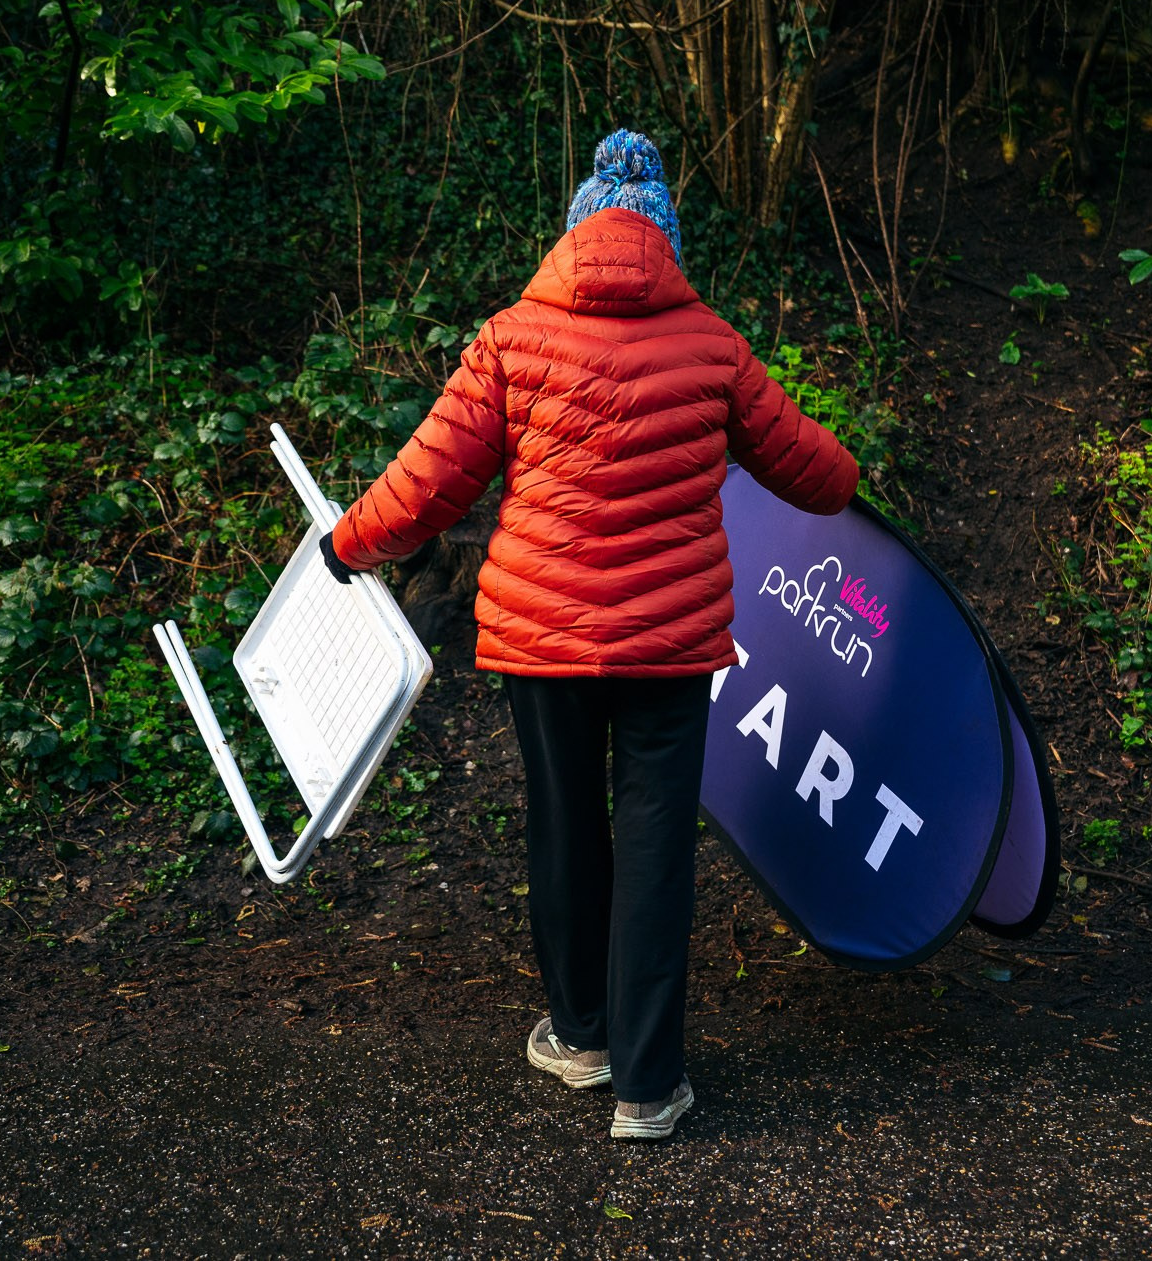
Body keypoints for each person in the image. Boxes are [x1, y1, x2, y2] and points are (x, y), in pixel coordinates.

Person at [321, 129, 857, 1140]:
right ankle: (647, 1088)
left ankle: (579, 1038)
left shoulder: (511, 339)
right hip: (670, 644)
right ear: (666, 241)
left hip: (540, 639)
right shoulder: (711, 345)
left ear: (571, 235)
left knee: (564, 829)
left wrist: (348, 543)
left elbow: (428, 477)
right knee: (655, 846)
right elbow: (822, 477)